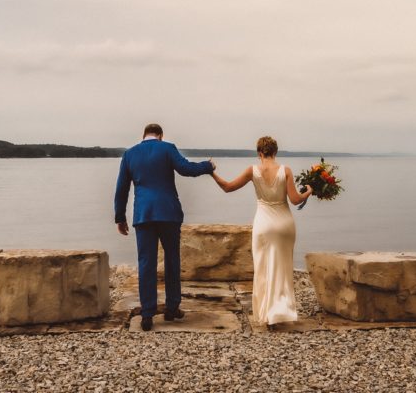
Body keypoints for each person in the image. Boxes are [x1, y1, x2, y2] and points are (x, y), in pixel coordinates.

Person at [114, 123, 216, 331]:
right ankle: (171, 309)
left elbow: (121, 189)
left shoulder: (129, 154)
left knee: (146, 264)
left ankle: (148, 314)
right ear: (160, 136)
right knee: (172, 261)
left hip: (144, 215)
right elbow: (187, 169)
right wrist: (208, 166)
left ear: (143, 135)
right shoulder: (168, 148)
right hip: (169, 213)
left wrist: (120, 217)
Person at [210, 136, 312, 327]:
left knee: (263, 268)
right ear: (275, 152)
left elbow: (228, 187)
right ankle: (281, 311)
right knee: (282, 268)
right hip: (284, 224)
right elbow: (296, 200)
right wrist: (308, 192)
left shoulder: (252, 170)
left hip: (263, 225)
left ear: (259, 153)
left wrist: (212, 173)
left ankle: (267, 314)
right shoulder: (285, 170)